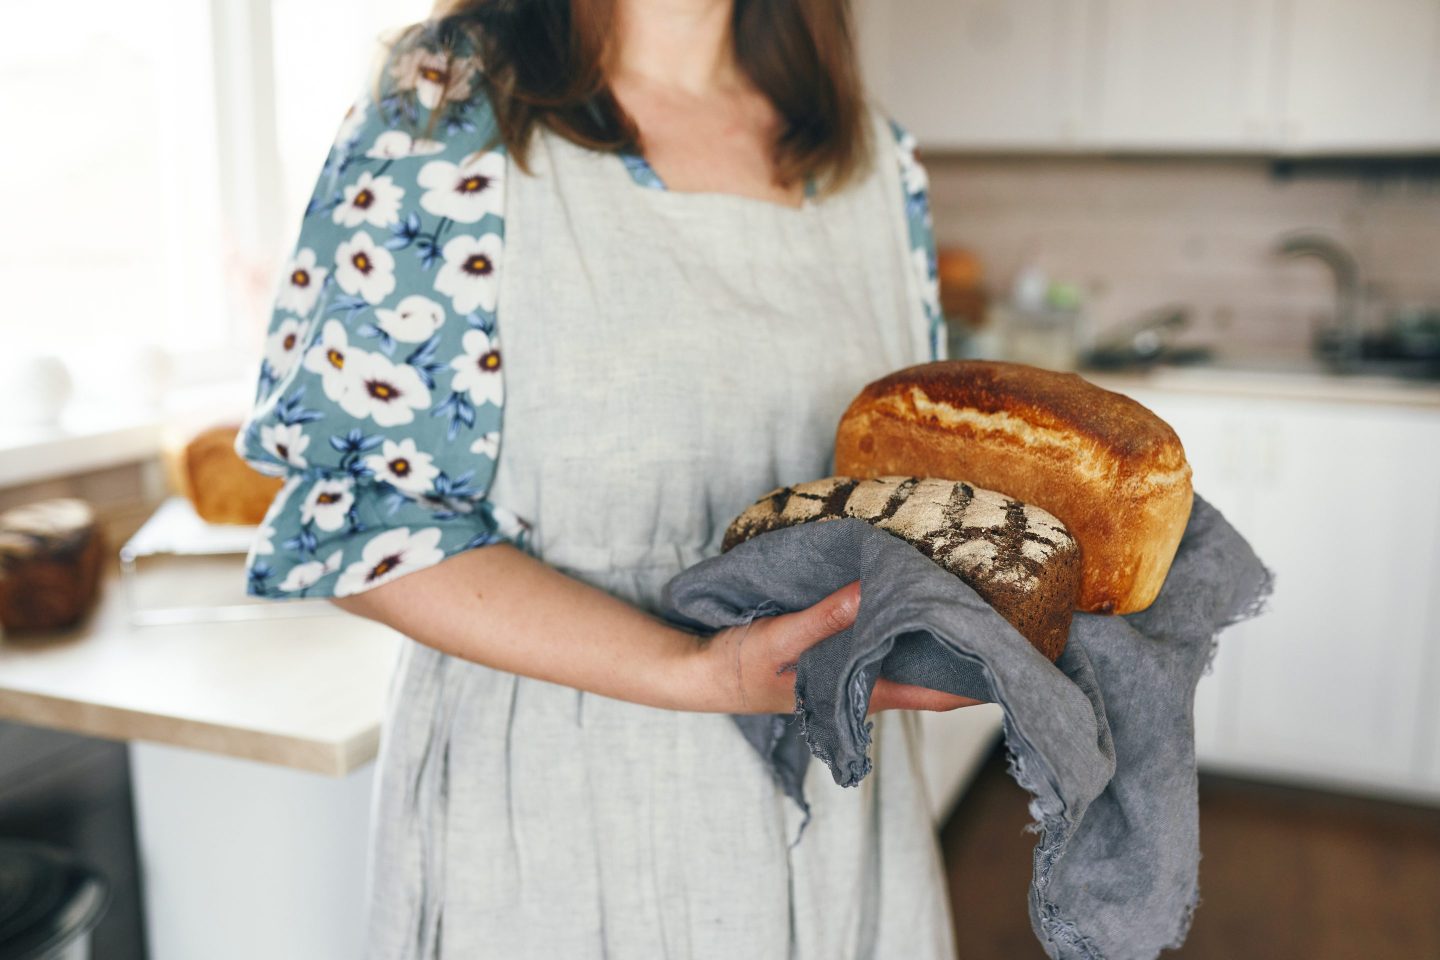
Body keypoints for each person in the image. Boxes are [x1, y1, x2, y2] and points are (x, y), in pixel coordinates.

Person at [234, 0, 982, 956]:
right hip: (563, 812)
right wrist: (696, 668)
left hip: (843, 814)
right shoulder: (452, 106)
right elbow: (357, 519)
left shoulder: (874, 159)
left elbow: (904, 493)